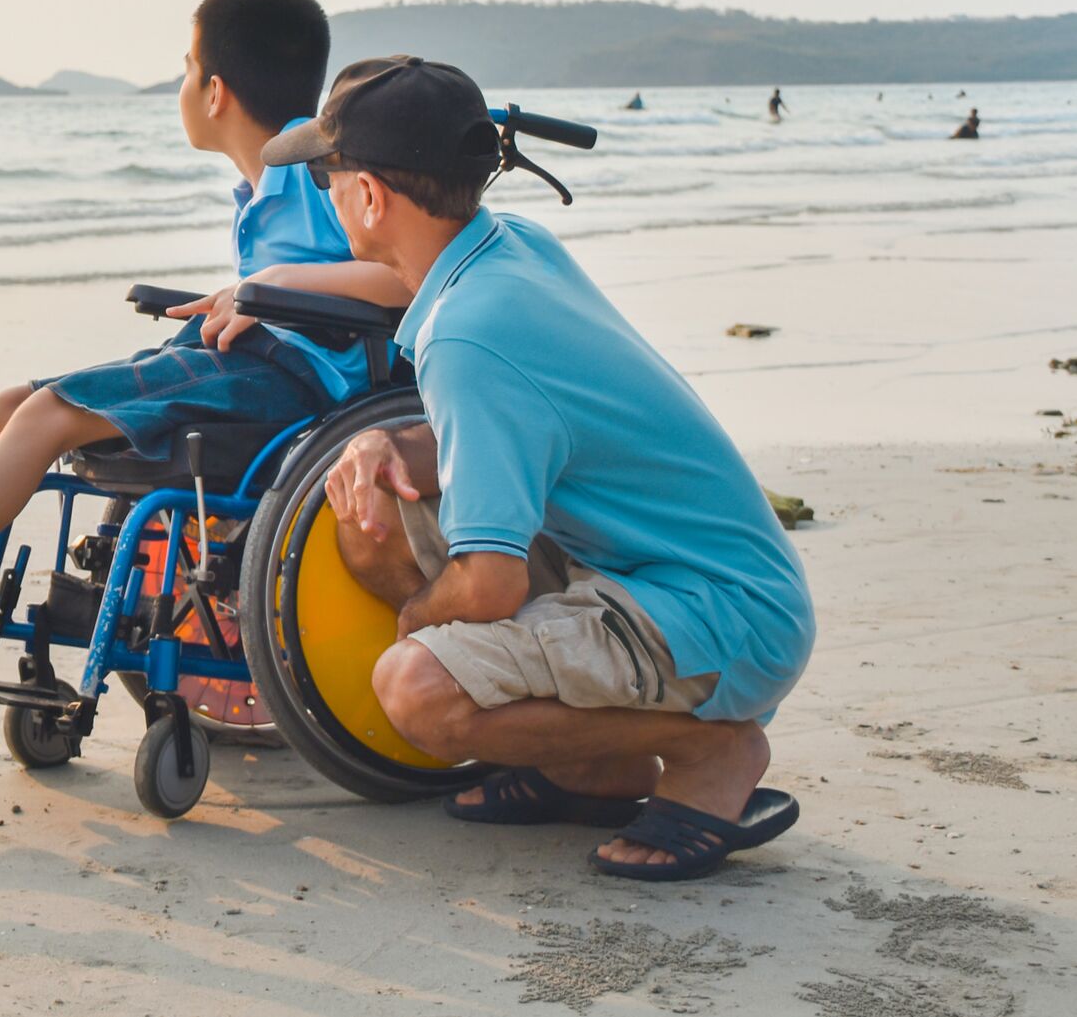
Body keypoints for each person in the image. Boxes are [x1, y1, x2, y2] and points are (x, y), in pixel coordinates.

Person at [262, 55, 815, 881]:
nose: (326, 192)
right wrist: (391, 444)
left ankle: (712, 750)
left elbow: (491, 586)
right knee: (372, 508)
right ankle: (595, 763)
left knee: (414, 688)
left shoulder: (467, 332)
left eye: (325, 175)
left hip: (718, 611)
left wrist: (417, 621)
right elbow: (519, 428)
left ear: (369, 195)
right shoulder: (508, 247)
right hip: (659, 571)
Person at [0, 0, 407, 676]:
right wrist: (256, 291)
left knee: (46, 415)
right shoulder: (260, 186)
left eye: (186, 68)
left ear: (215, 92)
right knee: (7, 407)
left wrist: (274, 285)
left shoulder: (315, 172)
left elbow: (407, 277)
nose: (181, 85)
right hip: (252, 361)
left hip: (297, 382)